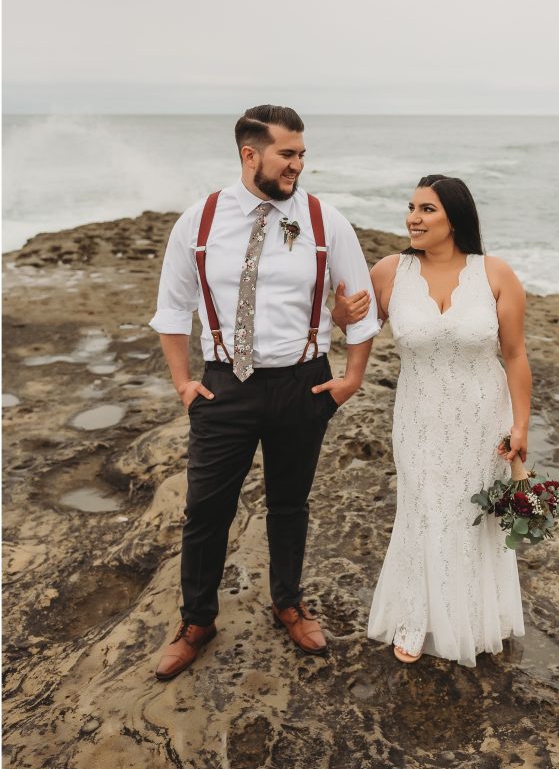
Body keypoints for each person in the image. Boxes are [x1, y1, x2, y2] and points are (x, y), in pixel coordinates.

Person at [149, 105, 380, 681]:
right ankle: (197, 620)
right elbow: (173, 310)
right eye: (287, 154)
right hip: (224, 384)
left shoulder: (326, 221)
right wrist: (183, 382)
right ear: (250, 154)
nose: (298, 165)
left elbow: (361, 305)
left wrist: (350, 378)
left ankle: (288, 602)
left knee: (289, 503)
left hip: (303, 383)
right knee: (206, 509)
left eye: (302, 154)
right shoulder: (198, 222)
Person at [335, 174, 529, 664]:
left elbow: (516, 355)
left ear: (454, 218)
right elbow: (359, 328)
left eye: (427, 210)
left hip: (484, 414)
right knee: (424, 507)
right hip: (419, 414)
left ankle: (473, 617)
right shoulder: (388, 271)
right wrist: (342, 323)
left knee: (470, 513)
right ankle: (416, 616)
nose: (413, 219)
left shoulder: (496, 274)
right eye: (412, 208)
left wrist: (521, 426)